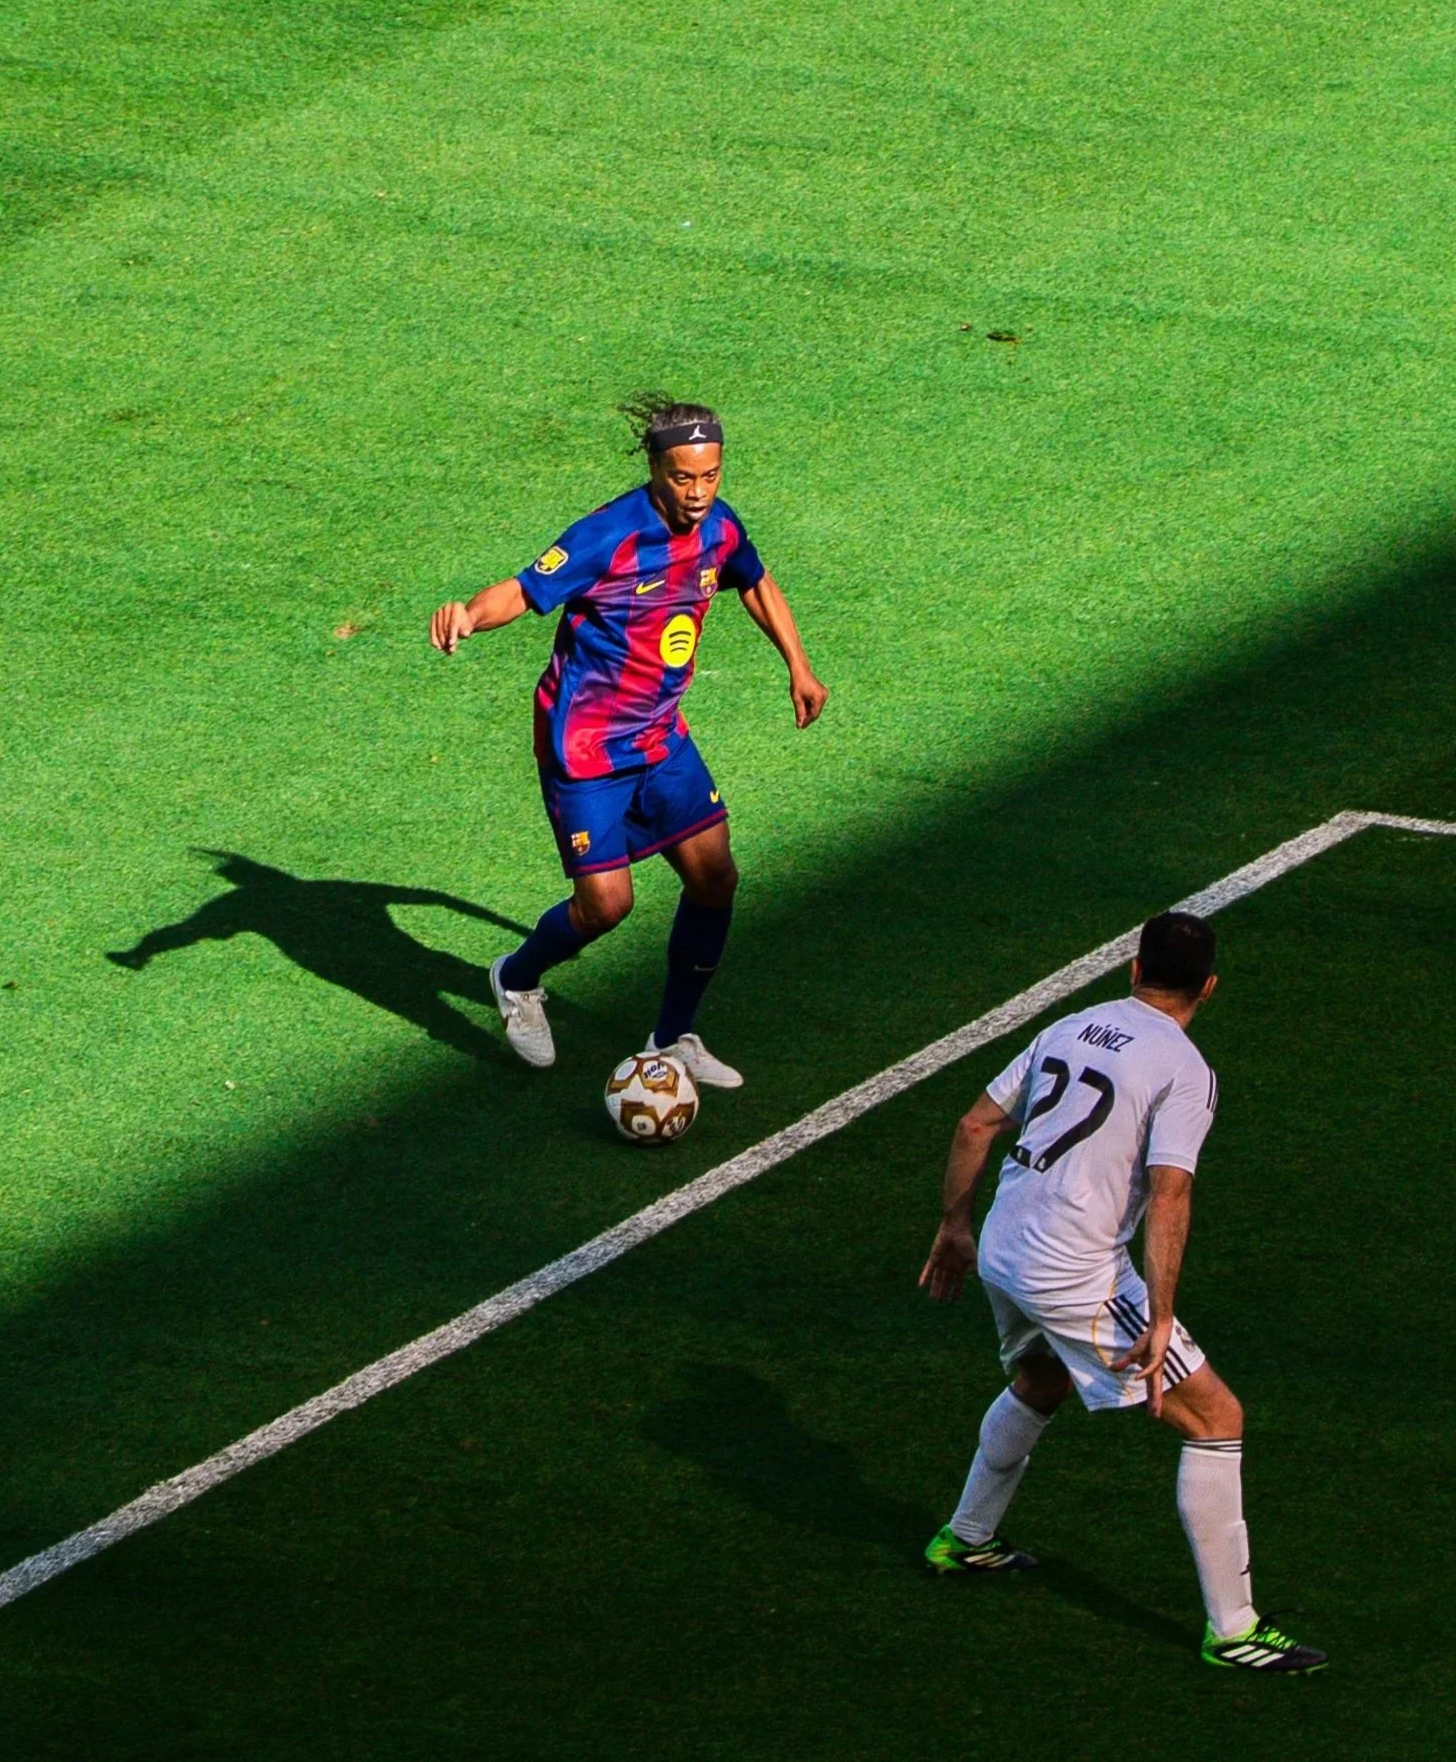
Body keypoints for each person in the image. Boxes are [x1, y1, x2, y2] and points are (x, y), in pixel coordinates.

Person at [917, 911, 1326, 1674]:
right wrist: (1161, 1314)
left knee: (1041, 1376)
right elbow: (1169, 1194)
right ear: (1207, 986)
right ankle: (1233, 1630)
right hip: (1076, 1267)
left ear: (1131, 968)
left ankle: (965, 1537)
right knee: (1215, 1417)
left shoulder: (1071, 1024)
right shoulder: (1183, 1067)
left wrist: (952, 1226)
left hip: (1005, 1242)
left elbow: (976, 1124)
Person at [427, 398, 827, 1078]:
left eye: (709, 476)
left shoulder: (718, 530)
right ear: (653, 467)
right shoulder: (607, 535)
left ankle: (672, 1036)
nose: (698, 493)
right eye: (682, 478)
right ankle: (518, 978)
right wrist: (468, 613)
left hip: (660, 737)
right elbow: (524, 590)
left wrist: (797, 663)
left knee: (714, 875)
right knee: (606, 905)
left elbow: (754, 583)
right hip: (584, 746)